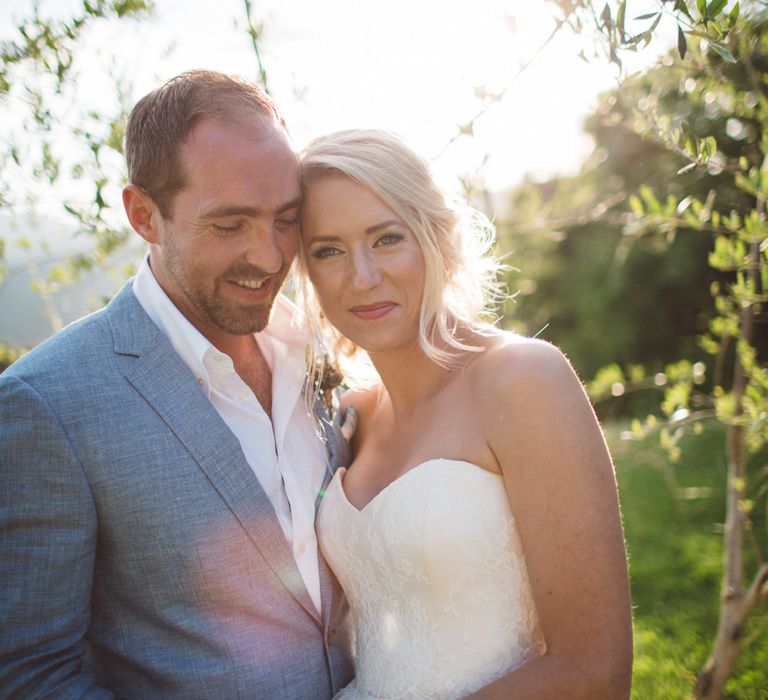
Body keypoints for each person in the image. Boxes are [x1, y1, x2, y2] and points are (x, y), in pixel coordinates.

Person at [0, 71, 353, 698]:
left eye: (285, 220)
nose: (270, 258)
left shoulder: (319, 352)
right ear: (144, 216)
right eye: (229, 225)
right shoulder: (46, 404)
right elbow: (30, 674)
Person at [297, 128, 633, 699]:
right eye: (328, 250)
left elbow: (593, 672)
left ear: (437, 239)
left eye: (386, 239)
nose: (362, 276)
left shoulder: (524, 379)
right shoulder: (352, 416)